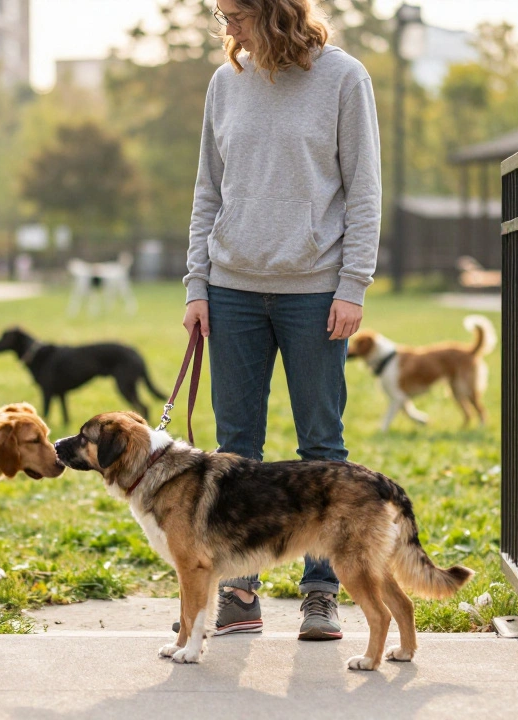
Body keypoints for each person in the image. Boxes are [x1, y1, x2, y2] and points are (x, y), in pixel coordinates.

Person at [181, 0, 381, 640]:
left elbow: (364, 189)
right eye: (221, 14)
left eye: (233, 13)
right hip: (232, 288)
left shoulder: (344, 78)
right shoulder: (225, 82)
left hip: (315, 293)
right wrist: (197, 283)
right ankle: (240, 591)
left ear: (272, 12)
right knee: (235, 448)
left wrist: (352, 284)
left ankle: (321, 591)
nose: (225, 26)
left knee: (321, 443)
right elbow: (207, 189)